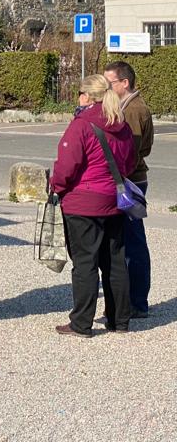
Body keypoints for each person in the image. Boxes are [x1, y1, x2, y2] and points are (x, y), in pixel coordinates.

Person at [50, 74, 135, 337]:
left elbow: (66, 166)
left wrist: (56, 186)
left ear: (86, 96)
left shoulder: (82, 124)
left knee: (85, 262)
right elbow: (130, 161)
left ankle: (81, 323)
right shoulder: (120, 123)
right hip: (114, 200)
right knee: (114, 260)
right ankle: (119, 319)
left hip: (83, 202)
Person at [103, 60, 154, 318]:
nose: (106, 88)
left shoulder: (132, 110)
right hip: (131, 178)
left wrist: (117, 178)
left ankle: (136, 302)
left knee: (132, 242)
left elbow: (130, 152)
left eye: (109, 83)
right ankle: (133, 300)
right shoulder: (128, 106)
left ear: (124, 83)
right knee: (129, 239)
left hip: (129, 180)